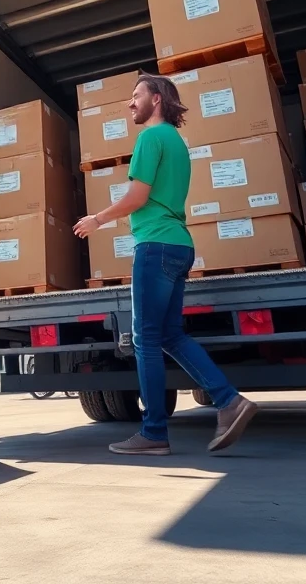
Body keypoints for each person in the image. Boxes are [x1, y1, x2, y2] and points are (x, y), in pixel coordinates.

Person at [74, 73, 258, 455]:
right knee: (171, 334)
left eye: (136, 95)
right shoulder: (176, 142)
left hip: (155, 246)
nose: (130, 103)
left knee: (145, 339)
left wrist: (98, 219)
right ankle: (228, 401)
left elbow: (138, 196)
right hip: (178, 245)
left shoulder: (150, 138)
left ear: (156, 99)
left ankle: (154, 432)